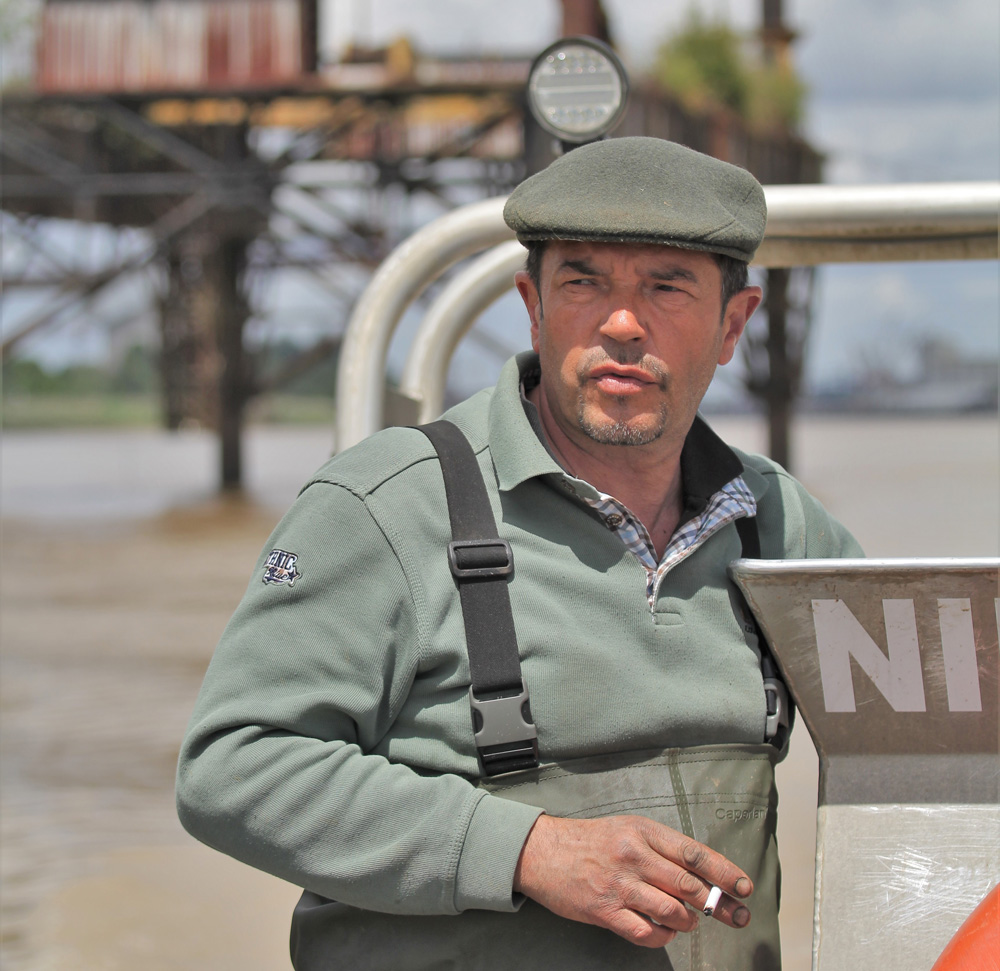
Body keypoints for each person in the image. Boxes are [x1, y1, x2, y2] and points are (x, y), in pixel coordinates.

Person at [176, 137, 862, 970]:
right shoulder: (383, 508)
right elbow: (233, 769)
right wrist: (528, 850)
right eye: (584, 281)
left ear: (733, 324)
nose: (620, 322)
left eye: (666, 285)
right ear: (532, 306)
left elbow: (935, 722)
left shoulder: (784, 524)